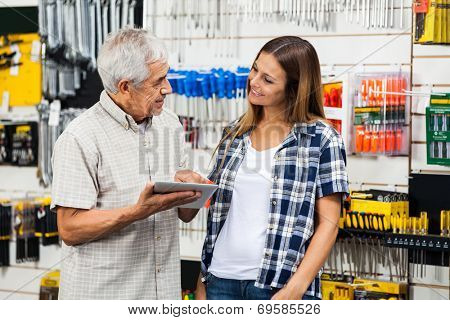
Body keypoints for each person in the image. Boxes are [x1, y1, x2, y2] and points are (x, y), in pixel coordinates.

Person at [51, 27, 207, 299]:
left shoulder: (169, 124)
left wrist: (194, 193)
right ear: (125, 87)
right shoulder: (80, 138)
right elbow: (70, 228)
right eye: (158, 80)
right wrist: (138, 211)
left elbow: (183, 214)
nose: (167, 88)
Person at [196, 36, 349, 300]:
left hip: (277, 286)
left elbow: (329, 225)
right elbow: (218, 218)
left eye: (268, 79)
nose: (254, 82)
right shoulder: (234, 133)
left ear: (294, 89)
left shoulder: (322, 138)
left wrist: (295, 288)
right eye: (255, 69)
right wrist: (202, 281)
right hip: (220, 282)